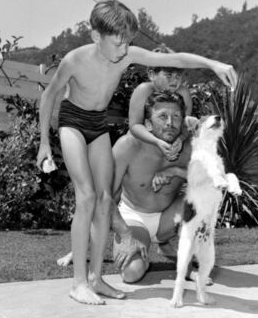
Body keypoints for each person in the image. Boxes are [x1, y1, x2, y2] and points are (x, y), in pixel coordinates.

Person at [36, 0, 237, 305]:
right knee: (87, 197)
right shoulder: (75, 60)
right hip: (72, 122)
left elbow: (177, 59)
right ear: (95, 36)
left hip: (98, 124)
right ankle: (78, 283)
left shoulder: (126, 55)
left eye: (128, 42)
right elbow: (49, 96)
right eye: (118, 42)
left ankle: (96, 279)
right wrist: (44, 143)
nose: (123, 49)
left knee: (104, 201)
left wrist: (214, 64)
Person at [59, 91, 193, 283]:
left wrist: (176, 171)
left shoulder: (188, 149)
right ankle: (141, 254)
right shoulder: (128, 146)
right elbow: (103, 196)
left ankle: (183, 258)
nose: (170, 123)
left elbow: (213, 183)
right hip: (134, 219)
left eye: (176, 117)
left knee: (197, 200)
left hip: (167, 220)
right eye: (162, 116)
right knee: (132, 273)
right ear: (148, 124)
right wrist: (126, 234)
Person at [128, 44, 192, 161]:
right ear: (152, 75)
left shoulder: (183, 93)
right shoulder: (143, 90)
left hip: (172, 138)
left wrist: (180, 139)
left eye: (178, 76)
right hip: (145, 139)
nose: (174, 80)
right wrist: (156, 141)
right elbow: (134, 125)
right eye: (168, 75)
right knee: (128, 141)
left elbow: (187, 124)